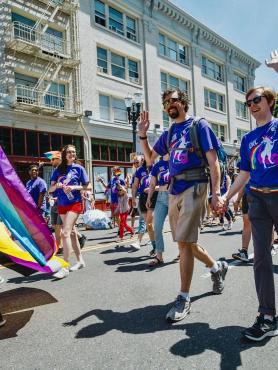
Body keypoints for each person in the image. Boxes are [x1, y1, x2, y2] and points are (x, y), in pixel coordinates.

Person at [138, 88, 227, 322]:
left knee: (184, 243)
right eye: (166, 101)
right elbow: (149, 159)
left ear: (183, 102)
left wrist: (216, 193)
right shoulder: (169, 133)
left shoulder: (199, 125)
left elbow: (213, 161)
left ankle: (183, 297)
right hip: (174, 190)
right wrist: (142, 136)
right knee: (184, 243)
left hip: (195, 186)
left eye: (174, 100)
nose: (169, 104)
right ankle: (217, 267)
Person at [223, 86, 278, 341]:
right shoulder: (248, 139)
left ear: (269, 101)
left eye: (257, 100)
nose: (252, 105)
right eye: (248, 103)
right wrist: (227, 196)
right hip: (256, 198)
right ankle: (267, 316)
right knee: (261, 259)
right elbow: (244, 173)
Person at [49, 145, 92, 279]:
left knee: (65, 232)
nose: (71, 154)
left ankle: (65, 267)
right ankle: (80, 261)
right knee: (72, 233)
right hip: (62, 204)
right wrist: (57, 186)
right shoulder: (58, 169)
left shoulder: (79, 168)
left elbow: (88, 187)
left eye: (73, 152)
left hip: (75, 203)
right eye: (69, 152)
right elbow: (50, 189)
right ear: (64, 154)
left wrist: (74, 187)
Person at [146, 155, 170, 266]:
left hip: (175, 196)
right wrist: (149, 198)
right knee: (157, 226)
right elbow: (152, 183)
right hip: (161, 197)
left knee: (177, 227)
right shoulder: (157, 165)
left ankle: (182, 251)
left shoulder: (177, 160)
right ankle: (159, 256)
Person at [132, 160, 157, 255]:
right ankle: (155, 247)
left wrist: (152, 189)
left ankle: (156, 247)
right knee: (148, 224)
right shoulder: (140, 170)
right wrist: (133, 198)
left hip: (154, 197)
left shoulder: (156, 167)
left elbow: (161, 184)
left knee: (150, 224)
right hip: (142, 197)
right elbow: (135, 185)